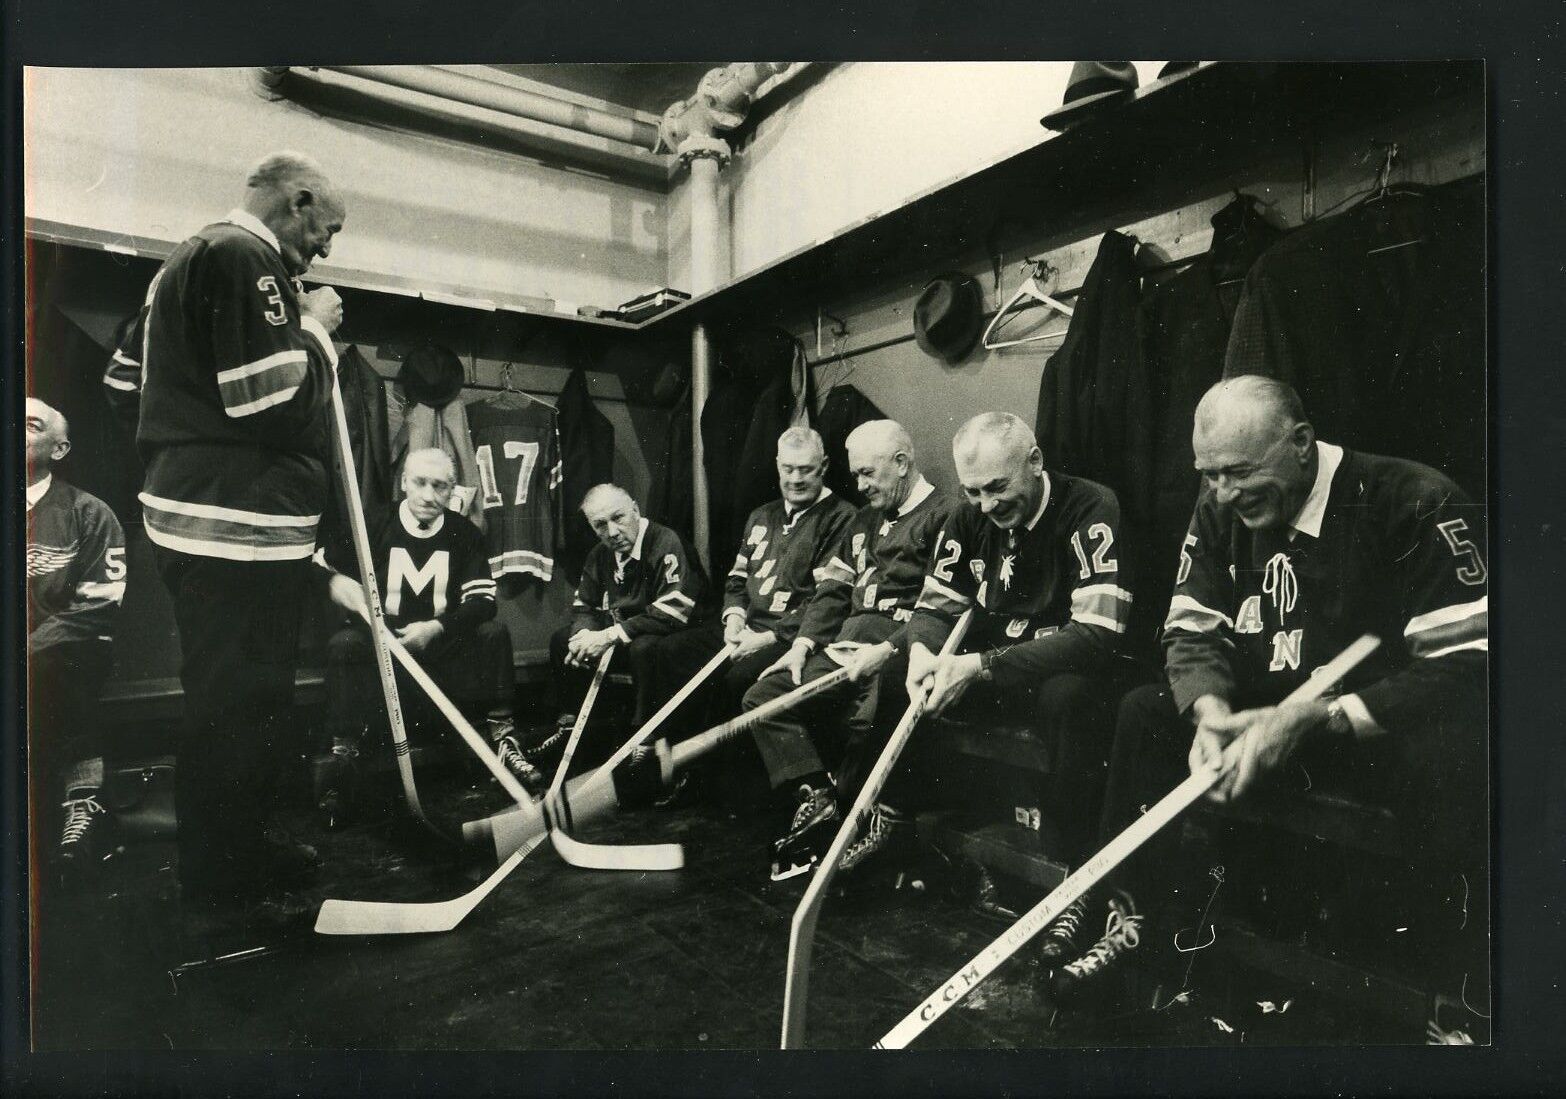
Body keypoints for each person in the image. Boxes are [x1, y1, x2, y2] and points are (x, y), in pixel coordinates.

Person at [1046, 376, 1489, 1011]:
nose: (1221, 494)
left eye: (1236, 473)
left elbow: (1465, 663)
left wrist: (1325, 716)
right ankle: (1130, 917)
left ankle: (1459, 992)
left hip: (1367, 730)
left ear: (1302, 444)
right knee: (1144, 710)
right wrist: (1210, 714)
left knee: (1455, 749)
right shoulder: (1219, 507)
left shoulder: (1415, 499)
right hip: (1262, 728)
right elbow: (1192, 628)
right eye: (1208, 474)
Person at [118, 150, 346, 913]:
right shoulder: (247, 256)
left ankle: (235, 851)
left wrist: (181, 450)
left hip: (214, 522)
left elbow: (124, 384)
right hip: (237, 530)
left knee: (235, 697)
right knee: (239, 701)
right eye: (328, 227)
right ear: (299, 199)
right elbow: (271, 400)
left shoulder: (180, 265)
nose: (328, 247)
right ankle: (224, 870)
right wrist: (314, 330)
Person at [838, 411, 1135, 879]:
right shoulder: (967, 513)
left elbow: (1095, 635)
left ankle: (1077, 871)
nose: (986, 505)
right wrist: (923, 655)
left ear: (1035, 461)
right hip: (992, 669)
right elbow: (935, 608)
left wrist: (977, 665)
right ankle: (894, 825)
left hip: (1053, 671)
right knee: (900, 672)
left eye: (997, 487)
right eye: (973, 491)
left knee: (1071, 697)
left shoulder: (1091, 506)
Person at [740, 420, 951, 878]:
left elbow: (941, 610)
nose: (859, 486)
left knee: (868, 711)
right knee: (764, 697)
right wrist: (801, 645)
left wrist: (892, 648)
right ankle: (821, 803)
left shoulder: (945, 514)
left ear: (901, 464)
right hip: (842, 648)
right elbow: (833, 590)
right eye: (855, 475)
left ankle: (861, 825)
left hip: (898, 652)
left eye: (867, 475)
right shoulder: (862, 518)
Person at [315, 448, 533, 819]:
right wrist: (334, 580)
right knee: (344, 644)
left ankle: (503, 738)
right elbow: (319, 562)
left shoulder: (464, 533)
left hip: (439, 650)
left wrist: (436, 627)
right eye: (420, 483)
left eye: (441, 486)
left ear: (453, 491)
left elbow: (483, 601)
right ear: (403, 483)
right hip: (383, 648)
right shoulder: (374, 523)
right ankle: (344, 759)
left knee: (493, 632)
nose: (429, 496)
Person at [26, 399, 128, 871]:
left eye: (31, 425)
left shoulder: (89, 512)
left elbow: (98, 606)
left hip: (63, 652)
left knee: (58, 666)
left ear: (59, 448)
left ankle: (82, 807)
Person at [543, 483, 711, 766]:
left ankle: (647, 736)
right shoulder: (600, 553)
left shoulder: (665, 541)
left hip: (683, 633)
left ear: (635, 508)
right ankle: (577, 730)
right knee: (564, 640)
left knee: (645, 648)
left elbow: (673, 612)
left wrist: (608, 635)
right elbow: (584, 605)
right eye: (599, 525)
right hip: (631, 632)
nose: (611, 532)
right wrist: (583, 635)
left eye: (618, 518)